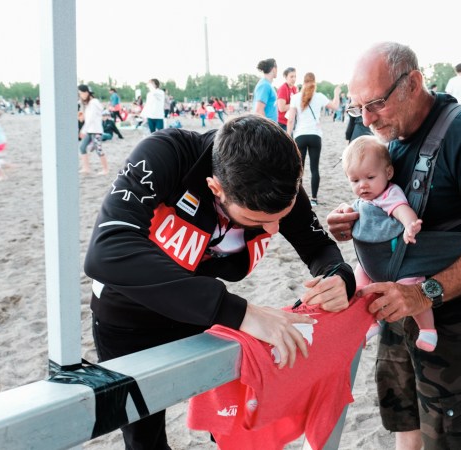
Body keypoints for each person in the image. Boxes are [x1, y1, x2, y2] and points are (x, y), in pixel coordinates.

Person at [85, 114, 355, 449]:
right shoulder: (167, 154)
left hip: (201, 316)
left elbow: (318, 246)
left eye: (280, 218)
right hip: (127, 318)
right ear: (216, 188)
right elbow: (106, 251)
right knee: (145, 438)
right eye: (258, 221)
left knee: (230, 423)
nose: (273, 230)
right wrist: (241, 313)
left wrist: (340, 277)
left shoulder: (277, 183)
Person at [327, 42, 461, 449]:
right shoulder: (392, 137)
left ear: (413, 83)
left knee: (451, 432)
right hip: (394, 304)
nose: (366, 119)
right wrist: (355, 223)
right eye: (357, 107)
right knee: (403, 410)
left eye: (376, 103)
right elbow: (390, 207)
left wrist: (423, 294)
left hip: (451, 316)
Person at [342, 136, 438, 351]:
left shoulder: (388, 194)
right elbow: (357, 214)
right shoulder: (365, 199)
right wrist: (345, 211)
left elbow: (402, 210)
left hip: (396, 260)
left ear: (388, 173)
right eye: (355, 181)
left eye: (369, 177)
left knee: (413, 289)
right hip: (370, 262)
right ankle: (371, 323)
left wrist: (410, 225)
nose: (363, 185)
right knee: (359, 289)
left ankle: (428, 330)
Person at [286, 72, 341, 206]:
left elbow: (291, 119)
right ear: (314, 83)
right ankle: (314, 199)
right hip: (315, 136)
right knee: (314, 168)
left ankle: (300, 198)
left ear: (303, 82)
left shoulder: (295, 97)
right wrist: (336, 93)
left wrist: (288, 136)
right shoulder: (320, 97)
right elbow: (335, 107)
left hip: (300, 135)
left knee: (300, 169)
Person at [77, 84, 108, 175]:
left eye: (81, 93)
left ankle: (106, 169)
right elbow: (86, 118)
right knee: (82, 147)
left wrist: (83, 130)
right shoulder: (89, 104)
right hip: (90, 130)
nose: (80, 95)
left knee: (99, 150)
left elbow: (91, 119)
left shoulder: (94, 102)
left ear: (86, 92)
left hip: (96, 130)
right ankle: (86, 168)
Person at [277, 67, 298, 132]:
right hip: (282, 123)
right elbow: (281, 108)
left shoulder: (295, 88)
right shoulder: (283, 88)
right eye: (291, 77)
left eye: (295, 76)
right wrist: (295, 104)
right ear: (286, 77)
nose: (294, 79)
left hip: (291, 121)